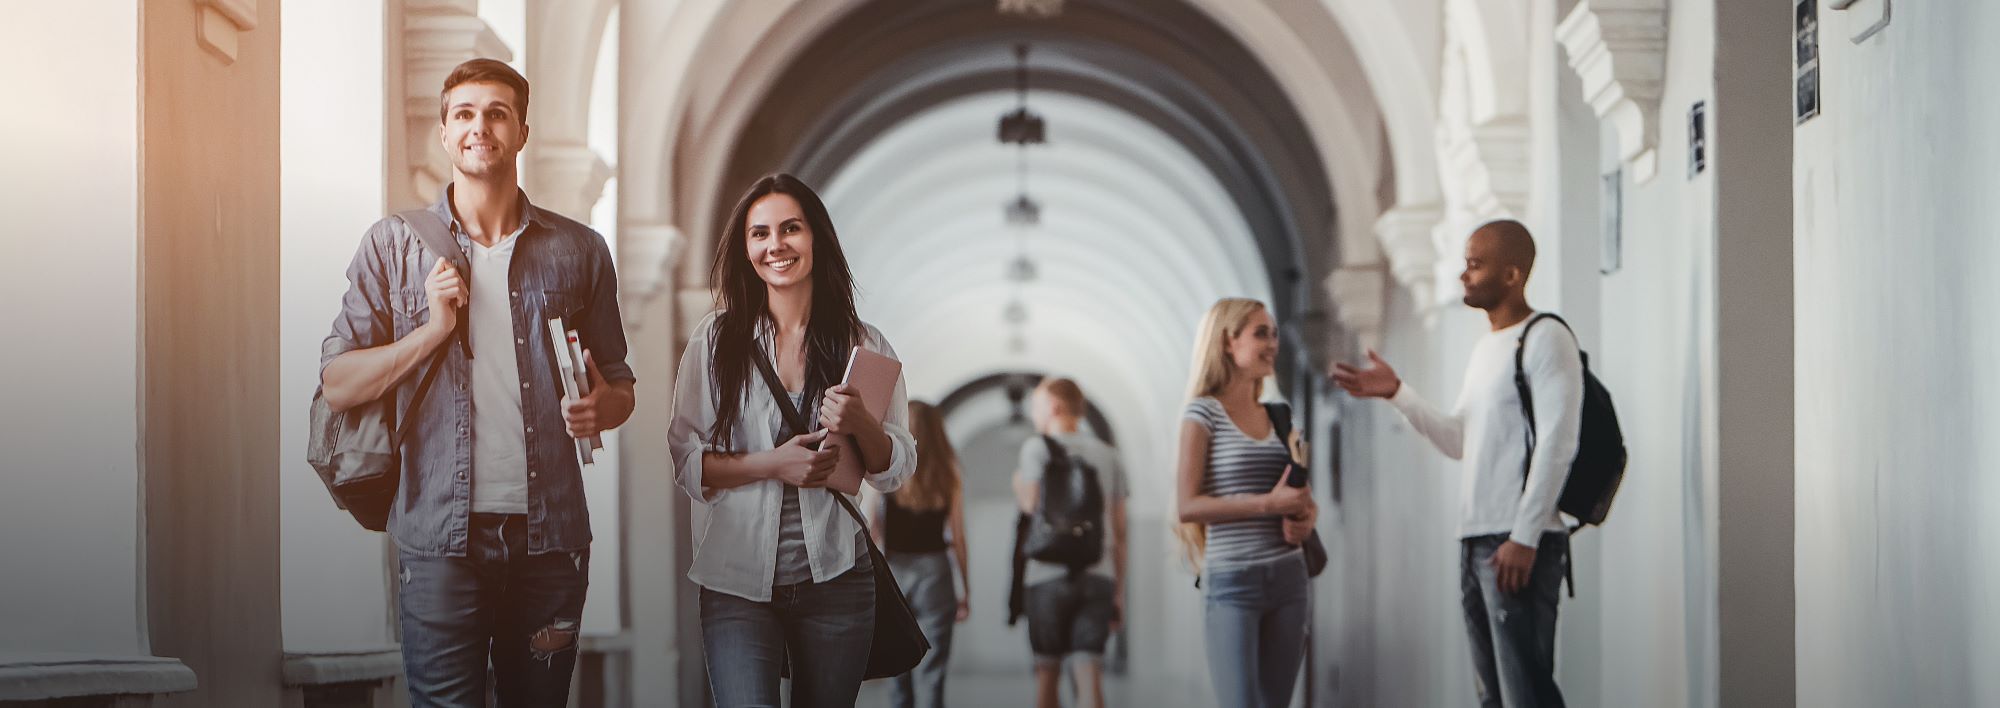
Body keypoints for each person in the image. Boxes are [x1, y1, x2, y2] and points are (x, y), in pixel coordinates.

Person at [318, 58, 636, 707]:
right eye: (464, 113)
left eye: (496, 112)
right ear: (444, 132)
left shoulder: (579, 251)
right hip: (438, 542)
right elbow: (340, 384)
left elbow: (623, 387)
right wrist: (431, 332)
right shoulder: (394, 247)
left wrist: (602, 407)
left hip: (552, 547)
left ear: (521, 131)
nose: (479, 126)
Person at [668, 172, 918, 708]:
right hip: (736, 582)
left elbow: (895, 468)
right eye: (759, 234)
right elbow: (687, 460)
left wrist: (862, 424)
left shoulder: (863, 343)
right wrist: (771, 465)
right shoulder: (714, 343)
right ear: (745, 249)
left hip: (836, 580)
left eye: (790, 229)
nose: (775, 245)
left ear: (816, 239)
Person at [1333, 219, 1582, 708]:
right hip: (1476, 542)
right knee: (1493, 697)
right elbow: (1459, 440)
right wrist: (1399, 393)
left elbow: (1559, 441)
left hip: (1517, 544)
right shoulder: (1487, 348)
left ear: (1512, 274)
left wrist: (1525, 536)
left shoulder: (1545, 337)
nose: (1462, 275)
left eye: (1474, 263)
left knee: (1523, 696)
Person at [1173, 298, 1316, 708]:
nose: (1272, 343)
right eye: (1260, 333)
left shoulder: (1282, 417)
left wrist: (1306, 519)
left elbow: (1304, 498)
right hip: (1232, 583)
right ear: (1227, 342)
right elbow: (1188, 505)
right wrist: (1266, 506)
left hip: (1289, 579)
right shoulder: (1202, 414)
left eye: (1273, 333)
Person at [1013, 377, 1128, 708]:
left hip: (1046, 576)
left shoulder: (1036, 448)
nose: (1035, 416)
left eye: (1037, 408)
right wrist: (1118, 591)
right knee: (1089, 674)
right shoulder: (1109, 456)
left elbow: (1031, 504)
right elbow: (1120, 533)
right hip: (1098, 573)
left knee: (1047, 674)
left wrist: (1018, 482)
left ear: (1054, 407)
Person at [872, 400, 971, 708]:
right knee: (933, 670)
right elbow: (958, 536)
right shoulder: (949, 470)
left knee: (899, 669)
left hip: (895, 572)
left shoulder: (888, 465)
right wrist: (965, 590)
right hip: (936, 573)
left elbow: (875, 529)